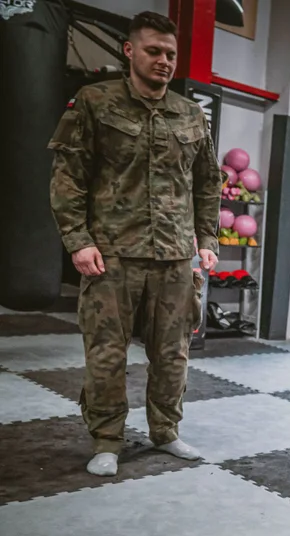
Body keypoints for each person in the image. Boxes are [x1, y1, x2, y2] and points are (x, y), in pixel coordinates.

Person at [48, 11, 219, 477]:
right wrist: (78, 240)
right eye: (153, 51)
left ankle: (165, 430)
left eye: (170, 54)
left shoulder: (190, 114)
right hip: (113, 255)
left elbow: (208, 181)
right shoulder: (95, 101)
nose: (164, 61)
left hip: (175, 257)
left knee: (173, 353)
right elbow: (68, 176)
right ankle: (107, 439)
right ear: (130, 51)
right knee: (106, 353)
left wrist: (207, 238)